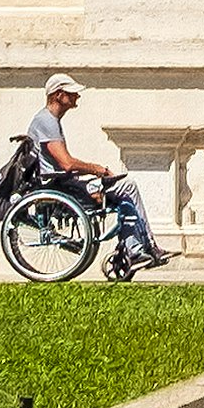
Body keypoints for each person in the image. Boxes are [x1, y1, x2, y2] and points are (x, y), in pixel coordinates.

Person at [34, 72, 167, 272]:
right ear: (58, 95)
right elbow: (67, 164)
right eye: (72, 93)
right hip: (61, 186)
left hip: (64, 183)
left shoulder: (49, 120)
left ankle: (134, 249)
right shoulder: (46, 121)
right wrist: (98, 169)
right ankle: (147, 246)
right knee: (127, 186)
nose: (76, 97)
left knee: (123, 196)